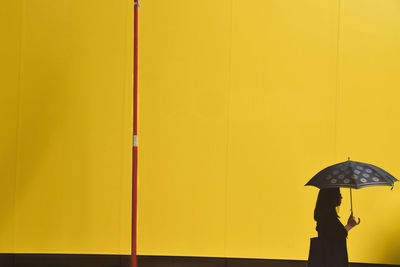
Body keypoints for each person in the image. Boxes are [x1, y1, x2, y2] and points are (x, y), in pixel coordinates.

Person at [309, 188, 361, 267]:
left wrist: (349, 225)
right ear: (331, 197)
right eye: (339, 194)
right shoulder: (329, 218)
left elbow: (336, 234)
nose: (341, 197)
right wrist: (350, 225)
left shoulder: (324, 217)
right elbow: (338, 236)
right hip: (332, 261)